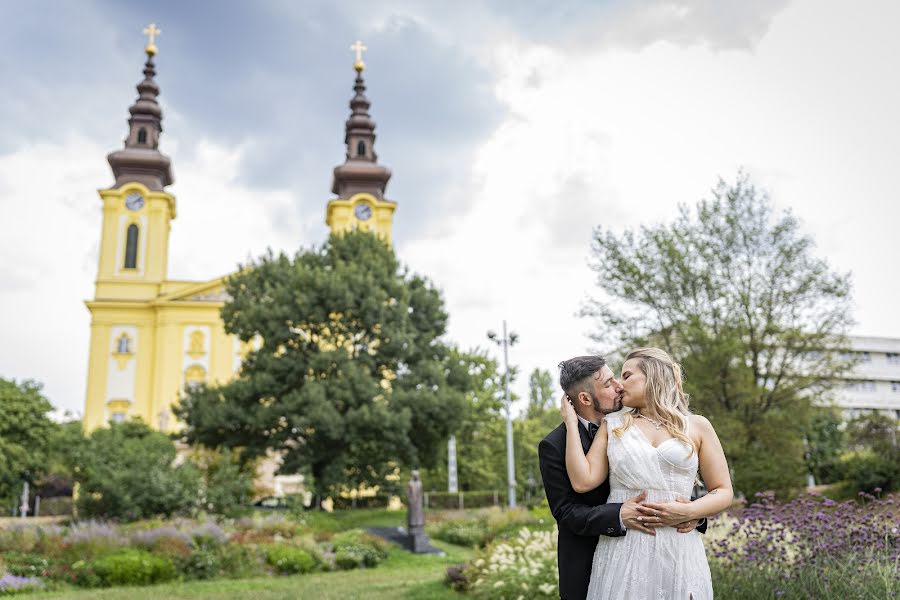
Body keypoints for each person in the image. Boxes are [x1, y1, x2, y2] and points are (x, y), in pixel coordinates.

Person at [562, 348, 733, 599]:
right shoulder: (613, 425)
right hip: (625, 548)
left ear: (652, 376)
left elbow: (723, 490)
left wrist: (691, 512)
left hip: (679, 548)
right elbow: (582, 481)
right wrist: (570, 423)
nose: (619, 384)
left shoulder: (697, 425)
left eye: (627, 375)